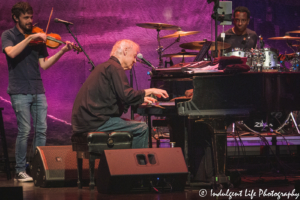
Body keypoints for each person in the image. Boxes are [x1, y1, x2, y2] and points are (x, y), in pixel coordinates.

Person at [1, 2, 73, 182]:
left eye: (31, 17)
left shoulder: (38, 38)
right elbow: (10, 53)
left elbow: (44, 64)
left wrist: (63, 51)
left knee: (41, 130)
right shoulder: (8, 35)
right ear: (16, 18)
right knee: (24, 130)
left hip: (37, 90)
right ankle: (20, 169)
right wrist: (28, 39)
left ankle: (37, 166)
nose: (30, 21)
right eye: (26, 18)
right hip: (19, 90)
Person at [71, 39, 169, 149]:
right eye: (134, 56)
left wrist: (141, 98)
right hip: (95, 123)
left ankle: (118, 163)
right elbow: (127, 96)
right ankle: (136, 165)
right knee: (142, 128)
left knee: (129, 124)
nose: (135, 61)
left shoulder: (105, 66)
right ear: (125, 51)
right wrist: (150, 91)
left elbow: (119, 97)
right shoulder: (114, 67)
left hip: (86, 122)